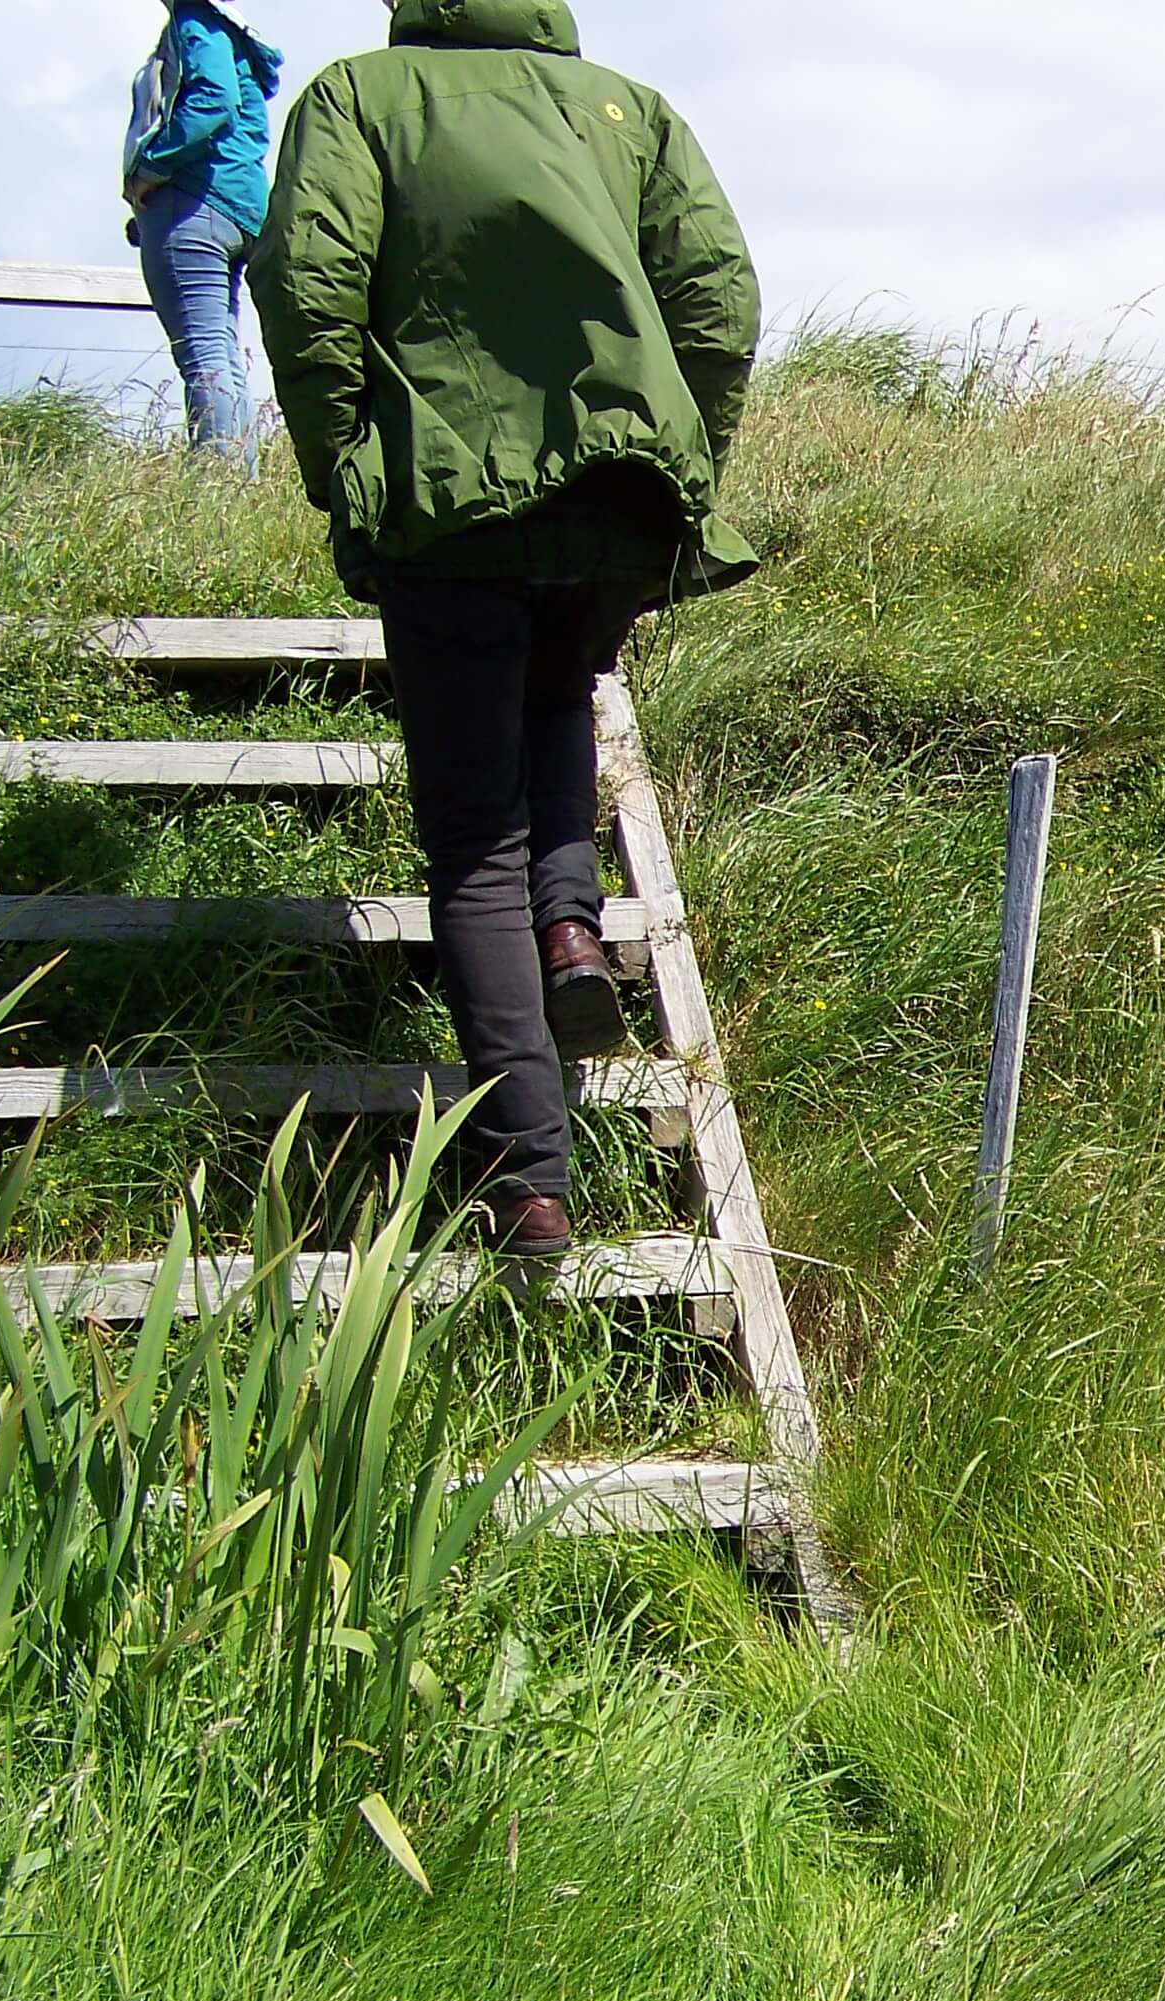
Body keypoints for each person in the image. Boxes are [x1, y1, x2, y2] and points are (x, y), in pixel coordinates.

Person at [248, 0, 762, 1258]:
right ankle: (574, 924)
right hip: (613, 506)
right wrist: (680, 461)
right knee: (558, 693)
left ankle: (530, 1183)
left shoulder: (362, 96)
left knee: (474, 841)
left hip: (447, 508)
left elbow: (308, 286)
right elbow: (721, 303)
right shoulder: (632, 114)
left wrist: (346, 471)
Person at [123, 1, 284, 464]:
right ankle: (239, 483)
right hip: (230, 207)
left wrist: (152, 166)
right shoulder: (221, 26)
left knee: (204, 355)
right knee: (221, 354)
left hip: (193, 205)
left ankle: (217, 485)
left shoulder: (195, 19)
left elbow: (214, 98)